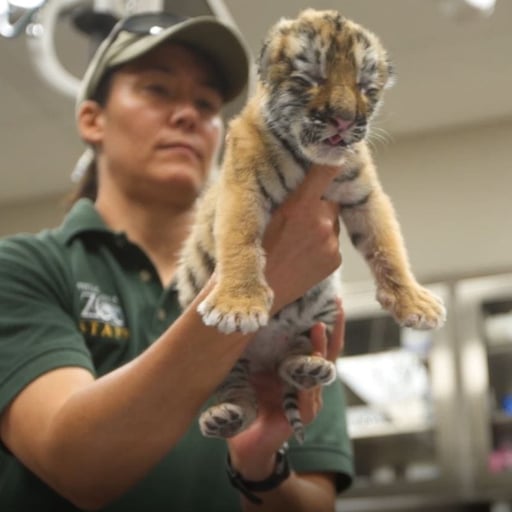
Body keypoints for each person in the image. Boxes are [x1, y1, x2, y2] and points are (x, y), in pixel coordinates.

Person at [0, 11, 354, 511]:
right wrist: (253, 282)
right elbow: (80, 466)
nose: (189, 114)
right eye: (157, 89)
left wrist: (259, 468)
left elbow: (315, 504)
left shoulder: (297, 294)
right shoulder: (23, 268)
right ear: (92, 119)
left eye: (207, 103)